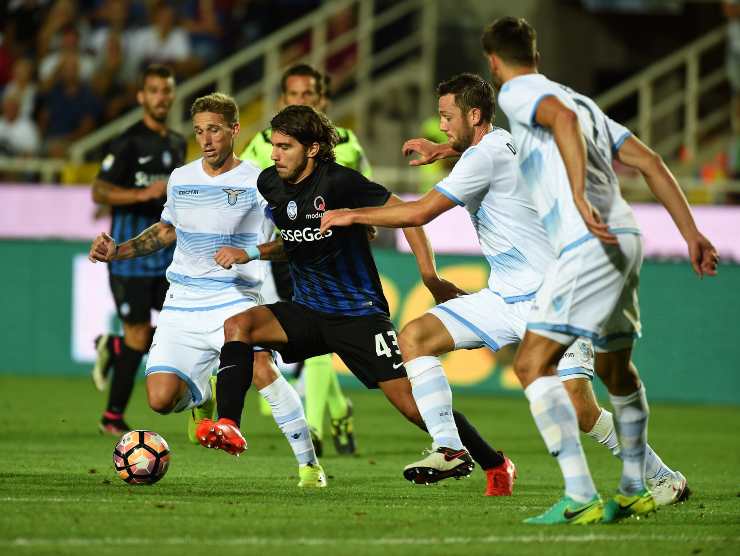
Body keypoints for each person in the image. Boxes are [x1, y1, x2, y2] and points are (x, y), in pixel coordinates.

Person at [320, 73, 689, 509]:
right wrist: (446, 148)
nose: (440, 125)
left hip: (553, 297)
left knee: (581, 411)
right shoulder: (498, 142)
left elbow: (418, 214)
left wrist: (350, 216)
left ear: (474, 115)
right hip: (505, 296)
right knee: (416, 338)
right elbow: (479, 152)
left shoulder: (484, 157)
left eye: (447, 117)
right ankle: (450, 448)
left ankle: (661, 476)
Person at [197, 104, 518, 496]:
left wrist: (430, 276)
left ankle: (496, 464)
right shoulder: (271, 184)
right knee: (239, 326)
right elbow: (296, 243)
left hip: (358, 318)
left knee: (416, 408)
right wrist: (254, 252)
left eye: (285, 147)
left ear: (312, 149)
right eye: (274, 146)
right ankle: (229, 424)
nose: (274, 154)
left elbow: (409, 215)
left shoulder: (340, 183)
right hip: (308, 311)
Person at [484, 17, 717, 524]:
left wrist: (577, 196)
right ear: (538, 55)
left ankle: (580, 495)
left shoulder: (517, 93)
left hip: (587, 241)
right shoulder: (583, 103)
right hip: (626, 239)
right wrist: (691, 234)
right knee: (615, 370)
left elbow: (559, 126)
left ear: (495, 63)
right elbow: (651, 161)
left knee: (530, 365)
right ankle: (636, 487)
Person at [89, 92, 326, 488]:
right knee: (161, 400)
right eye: (199, 131)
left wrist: (249, 253)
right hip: (182, 302)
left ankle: (309, 466)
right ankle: (203, 398)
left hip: (234, 299)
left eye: (214, 129)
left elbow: (294, 239)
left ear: (234, 130)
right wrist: (118, 251)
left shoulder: (261, 181)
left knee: (263, 370)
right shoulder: (181, 178)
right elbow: (166, 231)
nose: (206, 139)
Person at [240, 63, 371, 457]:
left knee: (322, 338)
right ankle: (337, 408)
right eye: (294, 95)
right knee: (317, 340)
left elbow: (362, 192)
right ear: (283, 100)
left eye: (309, 94)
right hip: (286, 252)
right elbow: (245, 192)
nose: (302, 100)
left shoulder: (347, 143)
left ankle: (312, 426)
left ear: (322, 99)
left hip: (333, 255)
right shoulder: (263, 143)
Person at [89, 64, 185, 435]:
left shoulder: (177, 143)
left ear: (172, 95)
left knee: (179, 330)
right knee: (139, 335)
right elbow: (99, 190)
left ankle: (115, 350)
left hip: (165, 259)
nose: (161, 97)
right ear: (142, 97)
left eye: (167, 90)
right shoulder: (127, 141)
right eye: (154, 90)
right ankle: (112, 417)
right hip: (129, 260)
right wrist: (142, 194)